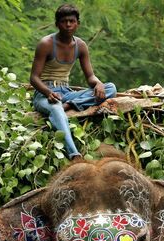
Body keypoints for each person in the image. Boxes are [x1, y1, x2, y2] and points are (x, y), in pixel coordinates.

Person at [30, 3, 117, 159]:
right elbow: (34, 78)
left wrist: (98, 84)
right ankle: (74, 154)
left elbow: (90, 77)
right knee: (56, 108)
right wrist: (48, 92)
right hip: (44, 94)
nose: (68, 25)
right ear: (57, 24)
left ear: (78, 23)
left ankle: (70, 105)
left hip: (66, 93)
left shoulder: (81, 46)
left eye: (71, 21)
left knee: (111, 88)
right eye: (64, 21)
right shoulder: (46, 44)